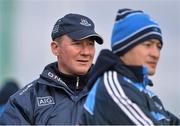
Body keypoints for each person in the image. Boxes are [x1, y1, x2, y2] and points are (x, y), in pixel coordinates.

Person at [80, 8, 180, 125]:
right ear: (125, 46)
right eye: (147, 45)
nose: (155, 54)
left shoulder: (147, 94)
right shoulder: (113, 87)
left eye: (158, 46)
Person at [0, 13, 103, 125]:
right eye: (77, 44)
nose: (86, 52)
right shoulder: (25, 100)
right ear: (55, 48)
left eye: (90, 44)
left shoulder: (109, 93)